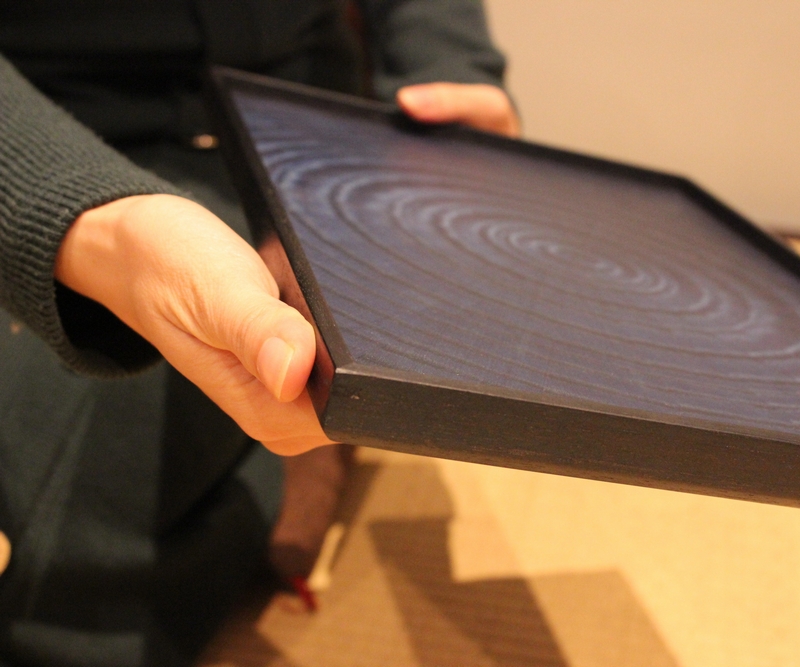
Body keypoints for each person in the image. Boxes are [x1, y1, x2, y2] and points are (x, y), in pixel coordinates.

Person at [0, 1, 519, 665]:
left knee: (66, 537)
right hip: (55, 133)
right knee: (47, 527)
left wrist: (451, 67)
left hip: (306, 140)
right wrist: (94, 226)